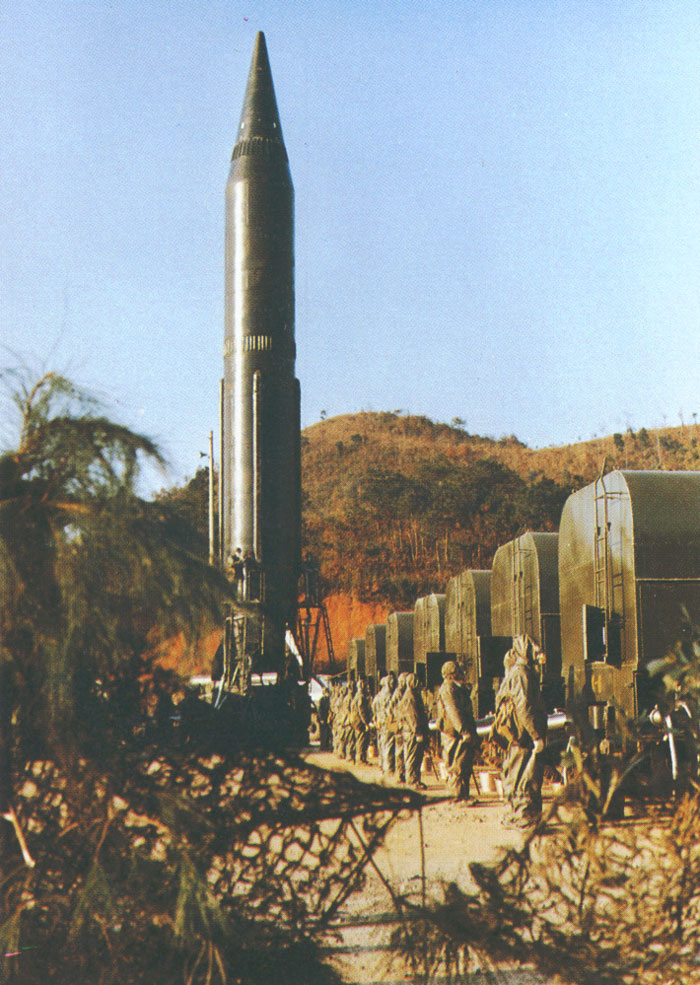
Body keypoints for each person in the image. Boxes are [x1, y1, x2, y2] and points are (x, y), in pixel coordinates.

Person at [494, 635, 548, 829]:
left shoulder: (519, 672)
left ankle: (517, 814)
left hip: (519, 736)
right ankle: (523, 816)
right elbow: (524, 707)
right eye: (535, 650)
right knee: (525, 775)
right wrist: (536, 736)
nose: (539, 655)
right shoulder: (522, 674)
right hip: (524, 737)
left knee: (516, 774)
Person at [436, 660, 478, 801]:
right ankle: (457, 797)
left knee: (462, 763)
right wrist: (464, 730)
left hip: (456, 732)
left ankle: (462, 795)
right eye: (459, 671)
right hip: (454, 733)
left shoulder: (453, 687)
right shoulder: (448, 689)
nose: (462, 673)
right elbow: (453, 711)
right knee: (456, 765)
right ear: (453, 673)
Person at [398, 673, 429, 788]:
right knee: (412, 757)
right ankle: (412, 781)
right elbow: (413, 717)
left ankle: (415, 779)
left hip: (411, 731)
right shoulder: (410, 697)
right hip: (412, 732)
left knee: (415, 757)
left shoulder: (412, 695)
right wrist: (418, 732)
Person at [351, 679, 372, 764]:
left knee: (359, 740)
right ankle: (360, 760)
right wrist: (366, 723)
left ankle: (361, 758)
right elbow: (362, 711)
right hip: (360, 723)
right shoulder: (361, 697)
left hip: (356, 722)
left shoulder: (356, 696)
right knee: (361, 741)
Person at [317, 686, 331, 750]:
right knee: (323, 733)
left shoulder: (329, 699)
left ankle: (326, 745)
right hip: (323, 718)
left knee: (327, 732)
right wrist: (321, 718)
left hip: (327, 718)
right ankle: (323, 746)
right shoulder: (322, 700)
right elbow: (320, 710)